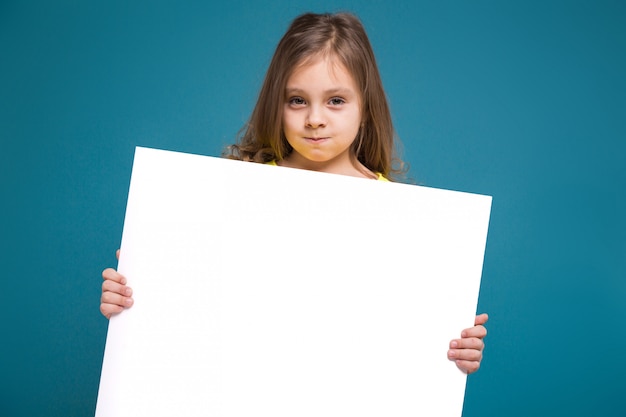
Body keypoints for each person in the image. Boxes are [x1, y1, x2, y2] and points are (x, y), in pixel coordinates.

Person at [100, 12, 488, 374]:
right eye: (297, 100)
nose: (314, 118)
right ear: (278, 104)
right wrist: (139, 291)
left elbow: (401, 337)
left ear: (365, 108)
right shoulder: (232, 194)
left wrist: (454, 353)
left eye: (336, 100)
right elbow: (196, 309)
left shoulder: (406, 221)